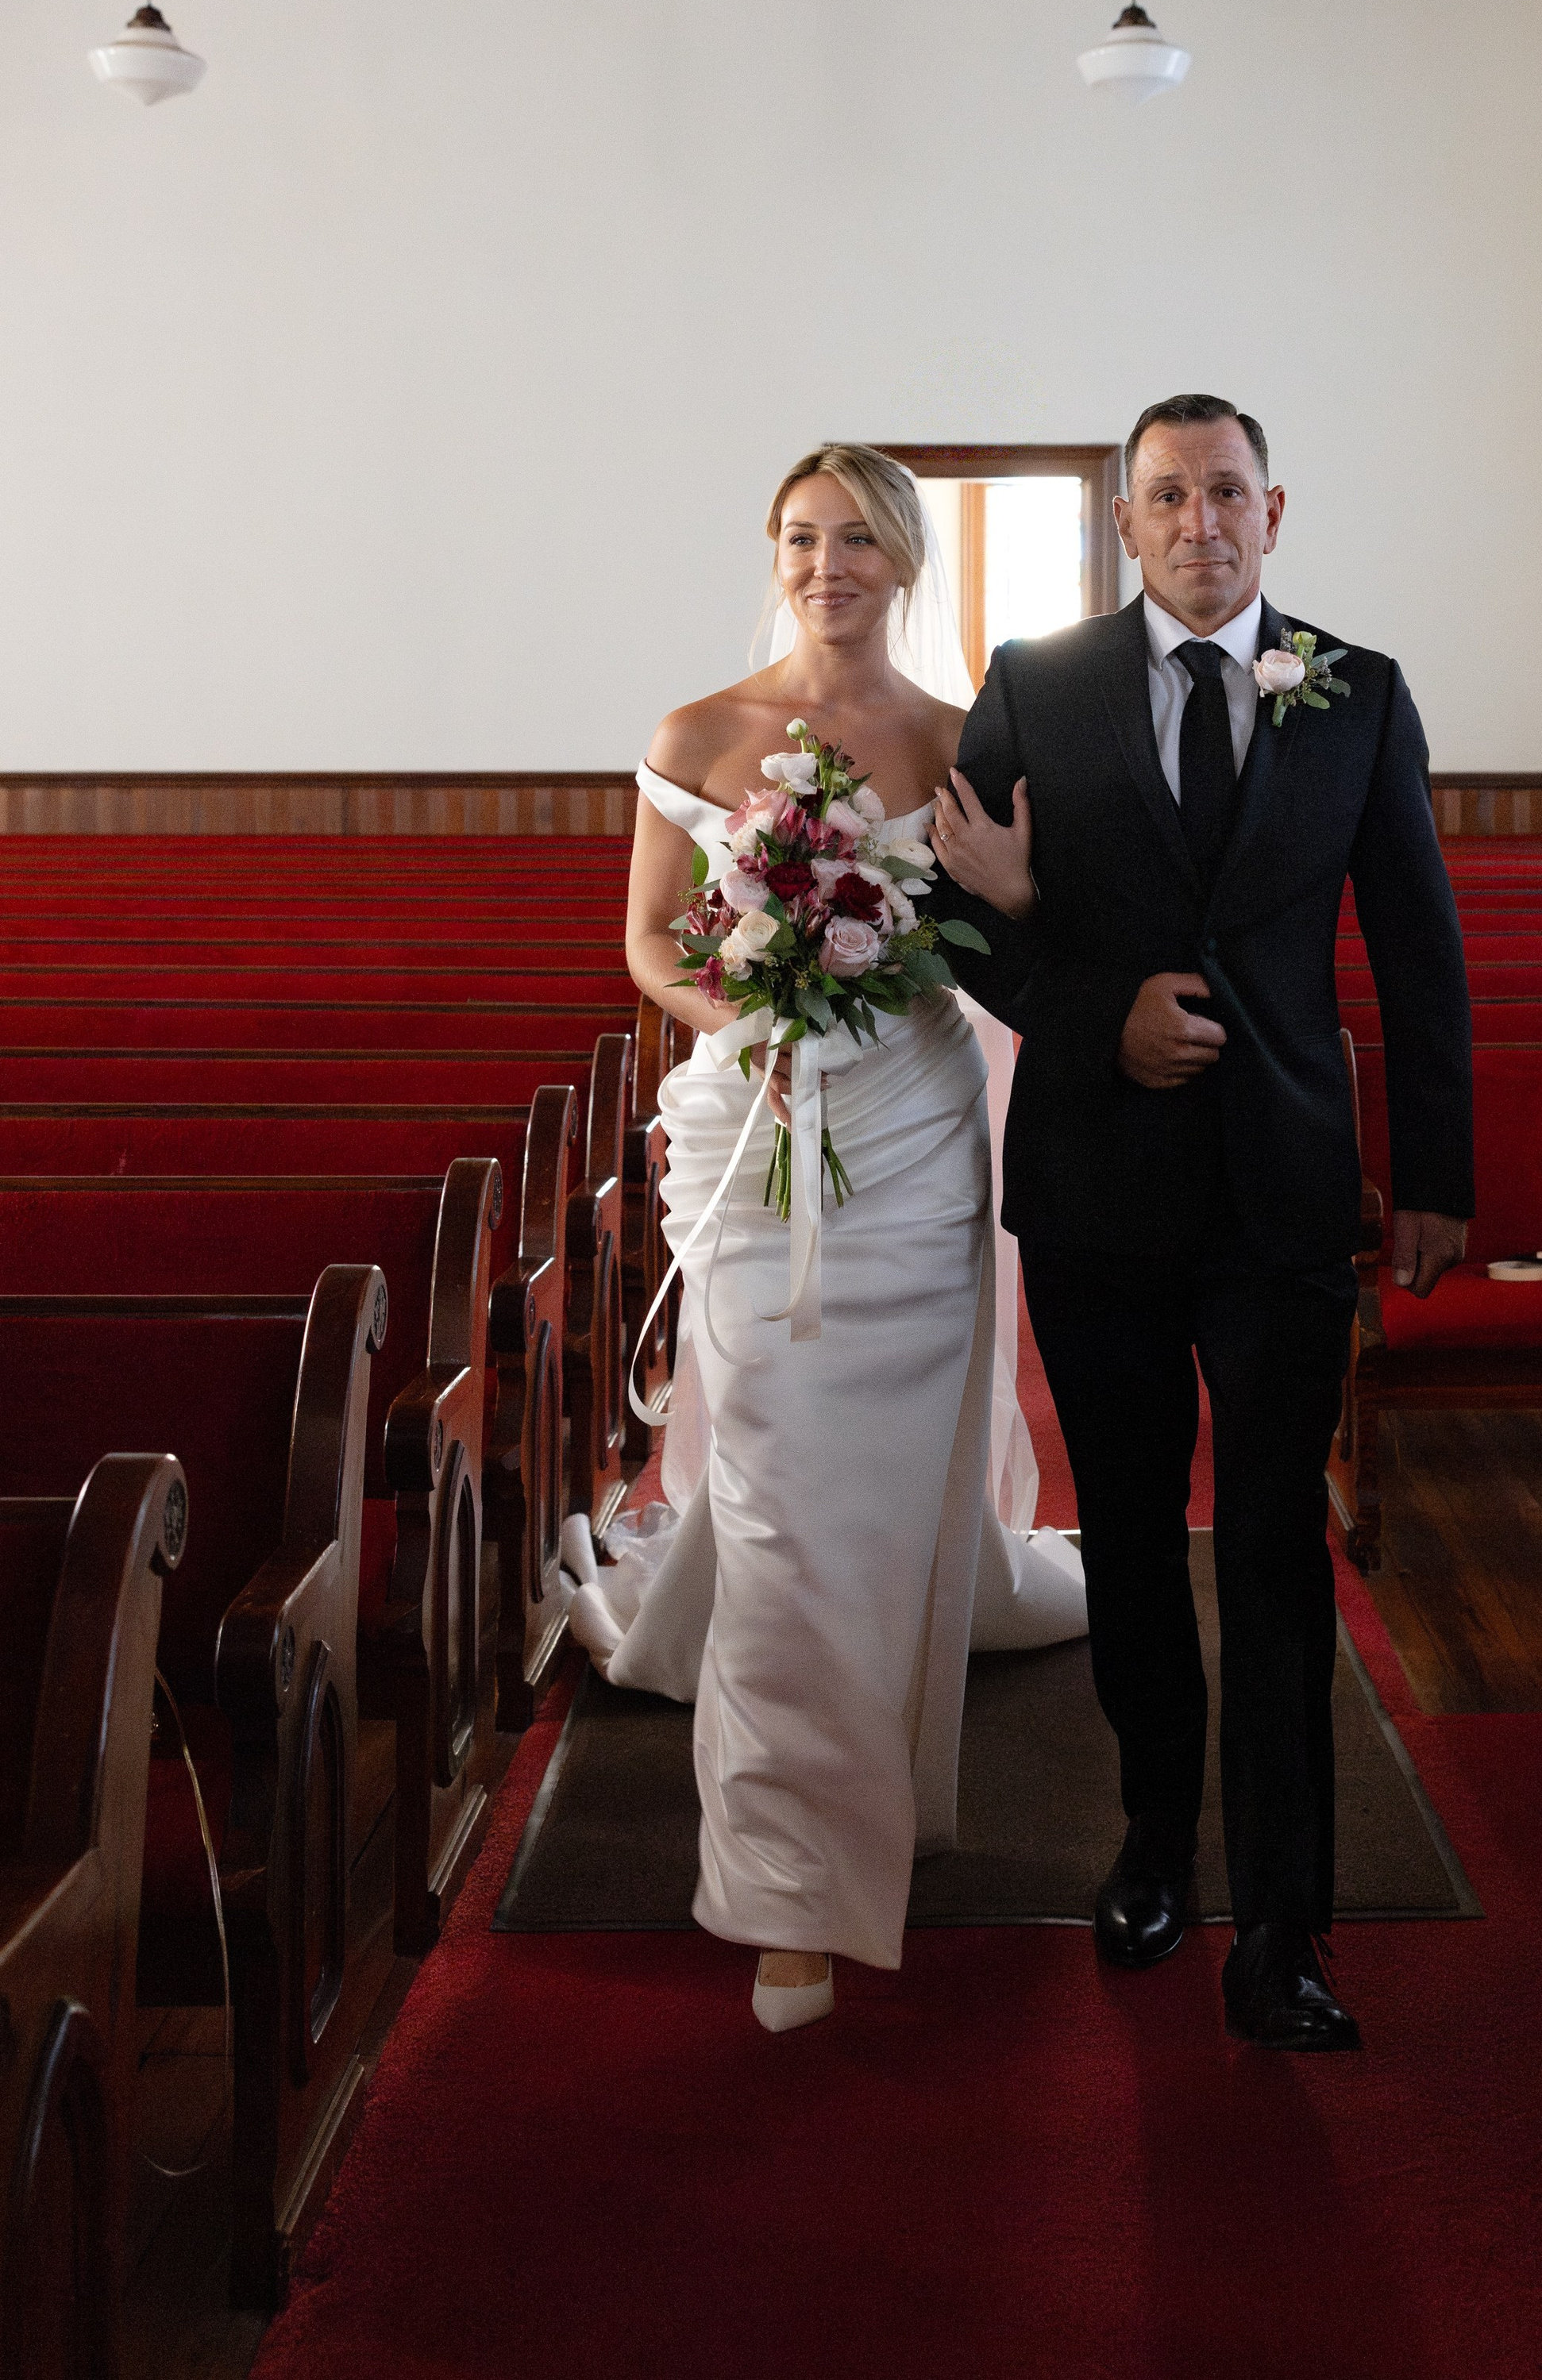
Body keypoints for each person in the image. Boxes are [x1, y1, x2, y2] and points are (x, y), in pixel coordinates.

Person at [931, 395, 1472, 2053]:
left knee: (1274, 1547)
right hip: (1098, 1180)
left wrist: (1437, 1173)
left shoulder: (1356, 691)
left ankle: (1288, 1924)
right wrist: (1097, 1013)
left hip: (1282, 1189)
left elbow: (1417, 940)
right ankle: (1156, 1840)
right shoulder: (1037, 684)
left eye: (1225, 490)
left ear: (1272, 509)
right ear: (1126, 520)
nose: (1197, 521)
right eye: (1164, 494)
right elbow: (952, 910)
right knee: (1131, 1539)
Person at [577, 444, 1085, 2034]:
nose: (825, 563)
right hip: (757, 1125)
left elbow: (1009, 933)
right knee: (781, 1492)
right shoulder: (696, 732)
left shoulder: (962, 738)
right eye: (801, 536)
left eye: (857, 536)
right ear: (774, 552)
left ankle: (891, 1775)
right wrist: (759, 1006)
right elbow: (649, 940)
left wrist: (1011, 903)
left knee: (891, 1489)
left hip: (917, 1133)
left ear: (903, 557)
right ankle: (786, 1880)